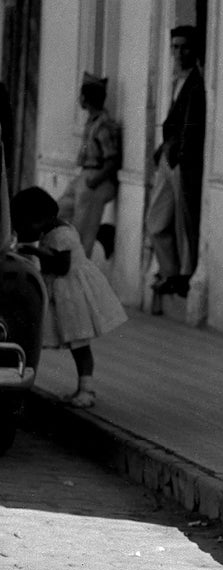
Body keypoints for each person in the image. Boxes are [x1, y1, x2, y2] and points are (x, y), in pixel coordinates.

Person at [12, 186, 126, 408]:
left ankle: (87, 389)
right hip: (64, 294)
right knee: (76, 342)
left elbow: (62, 266)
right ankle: (82, 388)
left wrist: (32, 251)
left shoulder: (61, 234)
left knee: (79, 341)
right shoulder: (54, 230)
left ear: (41, 219)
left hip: (73, 296)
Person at [145, 24, 205, 301]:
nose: (179, 53)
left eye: (185, 47)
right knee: (156, 220)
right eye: (175, 47)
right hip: (168, 160)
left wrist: (179, 156)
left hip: (182, 163)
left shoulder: (196, 83)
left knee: (184, 224)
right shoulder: (176, 81)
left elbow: (192, 129)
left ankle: (182, 276)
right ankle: (169, 271)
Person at [57, 73, 121, 257]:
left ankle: (80, 276)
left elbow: (113, 160)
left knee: (82, 238)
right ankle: (102, 234)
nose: (80, 99)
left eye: (81, 95)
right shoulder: (92, 122)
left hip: (97, 181)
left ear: (86, 98)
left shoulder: (104, 125)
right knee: (59, 212)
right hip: (85, 178)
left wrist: (95, 181)